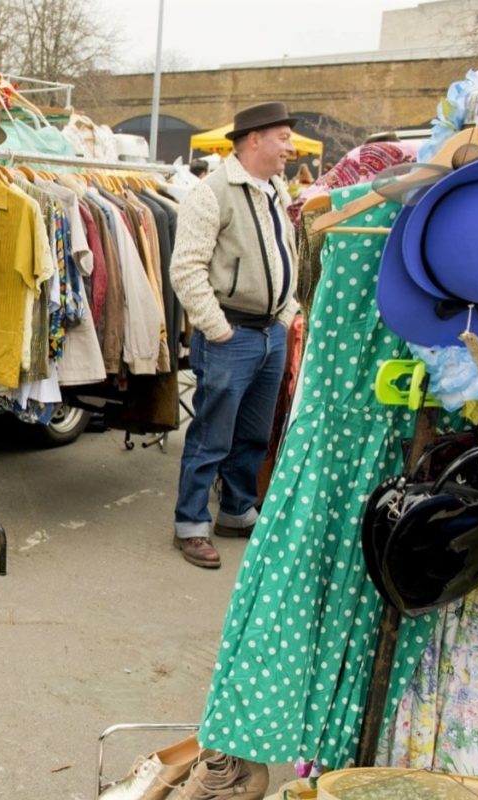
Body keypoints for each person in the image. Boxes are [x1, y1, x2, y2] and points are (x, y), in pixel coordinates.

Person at [168, 101, 301, 569]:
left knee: (254, 434)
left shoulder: (274, 190)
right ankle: (191, 523)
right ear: (254, 139)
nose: (290, 146)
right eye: (282, 137)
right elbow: (185, 269)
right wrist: (218, 328)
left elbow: (286, 253)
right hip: (233, 333)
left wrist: (286, 314)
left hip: (270, 333)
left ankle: (237, 510)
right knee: (211, 435)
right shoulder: (212, 192)